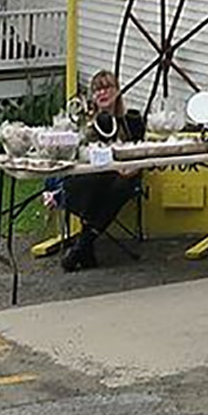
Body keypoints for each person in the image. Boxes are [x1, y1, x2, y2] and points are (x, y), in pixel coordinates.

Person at [53, 70, 143, 271]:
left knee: (121, 185)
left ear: (117, 91)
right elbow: (79, 153)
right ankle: (86, 245)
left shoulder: (131, 121)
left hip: (125, 176)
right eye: (97, 90)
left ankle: (82, 246)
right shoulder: (86, 123)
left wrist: (130, 169)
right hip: (91, 177)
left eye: (107, 88)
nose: (102, 93)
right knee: (92, 182)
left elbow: (140, 154)